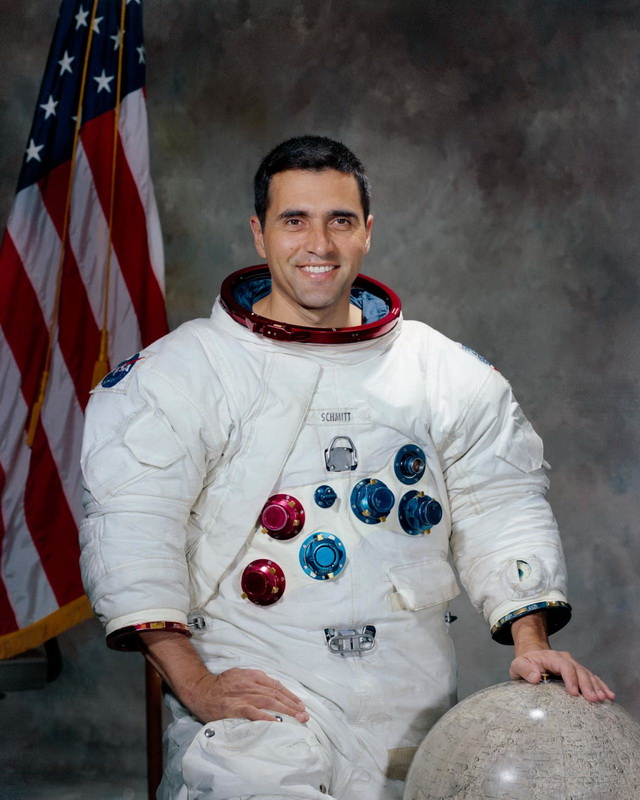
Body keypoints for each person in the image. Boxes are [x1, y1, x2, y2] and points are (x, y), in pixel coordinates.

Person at [80, 136, 614, 800]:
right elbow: (132, 532)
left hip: (410, 707)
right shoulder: (182, 374)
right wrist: (195, 684)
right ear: (259, 234)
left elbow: (501, 502)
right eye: (294, 220)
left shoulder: (440, 372)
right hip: (260, 709)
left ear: (367, 232)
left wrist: (530, 641)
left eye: (340, 220)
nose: (319, 244)